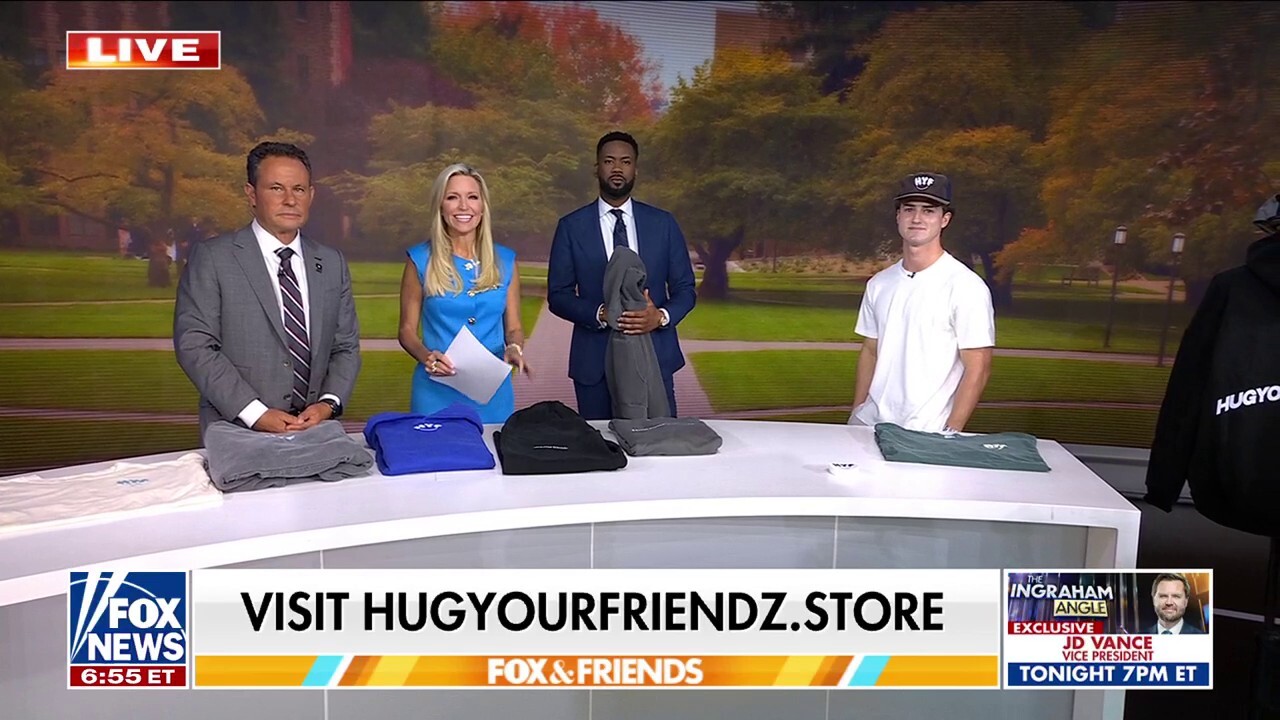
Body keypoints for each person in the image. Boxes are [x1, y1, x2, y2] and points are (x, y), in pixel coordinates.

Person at [174, 141, 361, 437]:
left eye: (299, 189)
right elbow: (195, 346)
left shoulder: (331, 262)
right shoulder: (213, 258)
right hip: (238, 432)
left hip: (315, 432)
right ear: (251, 194)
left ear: (311, 195)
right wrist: (255, 414)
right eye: (276, 188)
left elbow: (345, 347)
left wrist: (328, 404)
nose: (290, 200)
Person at [547, 131, 697, 420]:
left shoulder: (663, 224)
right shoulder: (571, 227)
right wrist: (601, 313)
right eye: (609, 161)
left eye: (625, 162)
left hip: (656, 356)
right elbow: (558, 295)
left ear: (635, 169)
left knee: (660, 440)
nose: (617, 168)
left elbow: (685, 288)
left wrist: (660, 317)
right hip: (594, 363)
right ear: (597, 168)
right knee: (601, 445)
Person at [849, 172, 994, 433]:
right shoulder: (879, 284)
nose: (917, 218)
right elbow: (870, 351)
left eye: (928, 210)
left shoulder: (965, 287)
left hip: (927, 432)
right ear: (898, 216)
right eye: (909, 209)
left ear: (944, 219)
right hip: (868, 425)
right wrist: (856, 413)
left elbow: (978, 366)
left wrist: (950, 433)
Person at [398, 163, 527, 424]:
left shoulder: (505, 261)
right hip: (436, 391)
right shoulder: (420, 260)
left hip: (493, 394)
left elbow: (514, 327)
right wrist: (427, 357)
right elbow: (406, 331)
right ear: (440, 206)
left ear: (483, 206)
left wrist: (515, 347)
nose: (463, 206)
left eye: (472, 197)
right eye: (453, 197)